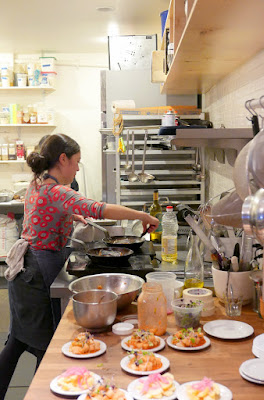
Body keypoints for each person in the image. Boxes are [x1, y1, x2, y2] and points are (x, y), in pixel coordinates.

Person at [0, 133, 158, 400]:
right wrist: (142, 215)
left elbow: (43, 211)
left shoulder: (38, 184)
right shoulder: (57, 191)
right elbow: (99, 208)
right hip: (36, 274)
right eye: (75, 162)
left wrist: (70, 214)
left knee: (17, 342)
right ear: (62, 159)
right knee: (46, 352)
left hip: (25, 273)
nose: (76, 168)